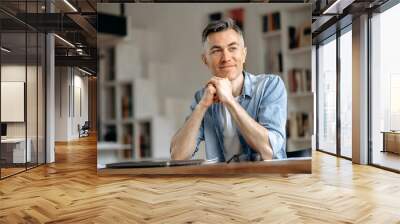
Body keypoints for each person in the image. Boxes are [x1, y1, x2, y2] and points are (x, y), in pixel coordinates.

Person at [170, 18, 287, 162]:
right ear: (205, 60)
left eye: (232, 48)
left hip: (268, 181)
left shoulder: (270, 86)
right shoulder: (202, 97)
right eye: (216, 50)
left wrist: (229, 100)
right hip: (223, 182)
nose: (226, 58)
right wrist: (202, 107)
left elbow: (269, 150)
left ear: (244, 54)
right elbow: (178, 156)